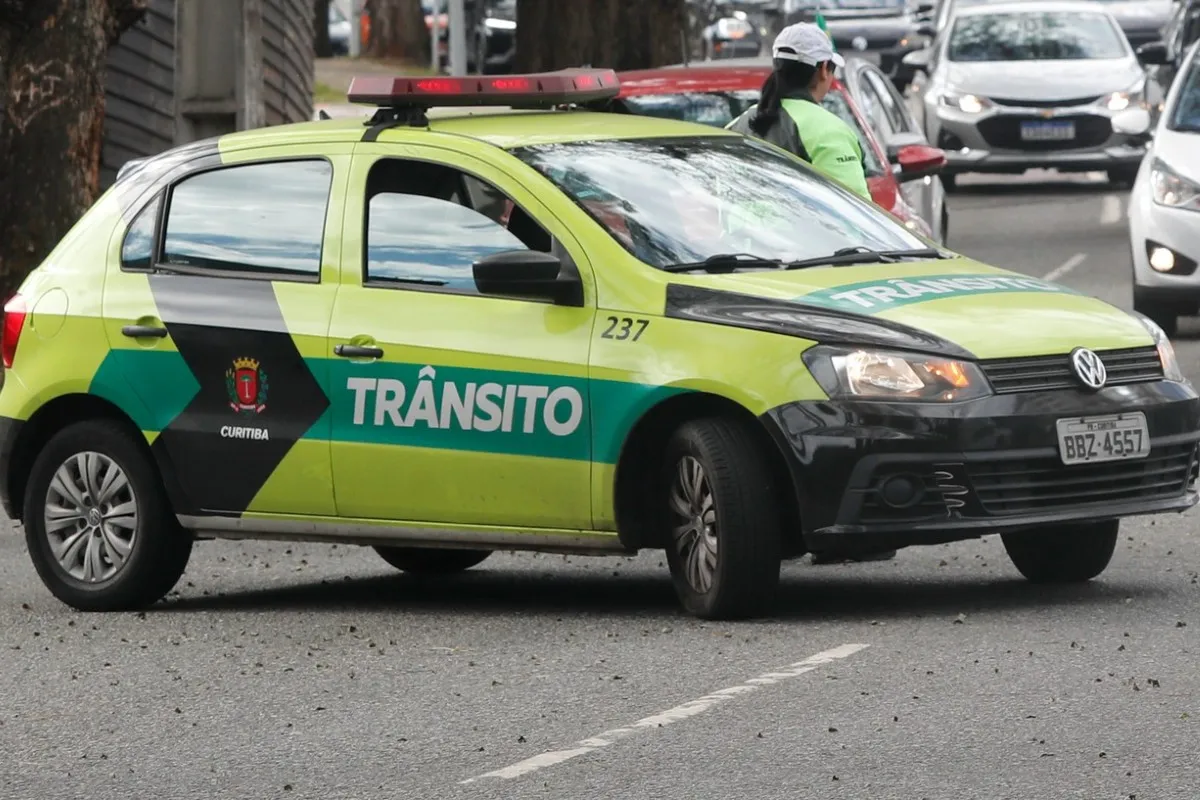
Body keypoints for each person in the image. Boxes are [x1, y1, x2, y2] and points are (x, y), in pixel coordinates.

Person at [726, 22, 872, 202]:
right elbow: (856, 213)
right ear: (824, 69)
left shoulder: (736, 126)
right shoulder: (828, 131)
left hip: (742, 231)